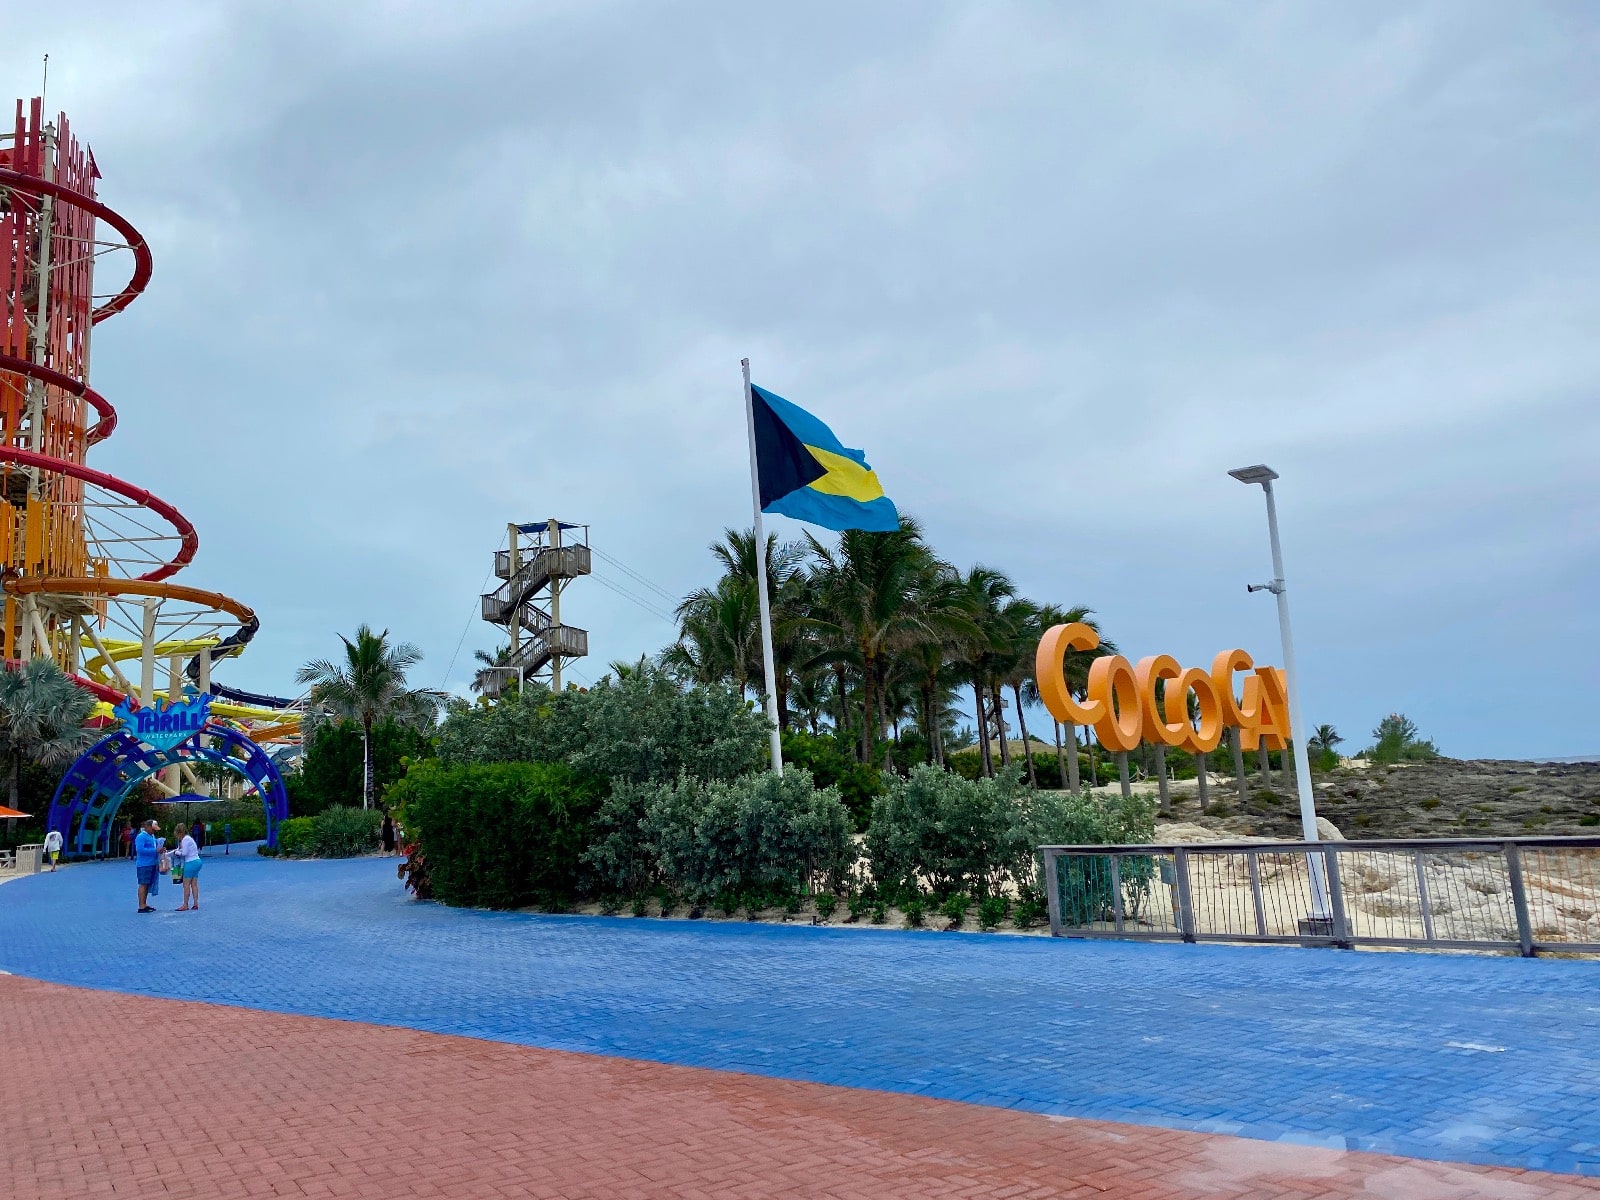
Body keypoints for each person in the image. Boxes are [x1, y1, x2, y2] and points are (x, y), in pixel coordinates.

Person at [134, 820, 159, 913]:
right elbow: (140, 850)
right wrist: (155, 850)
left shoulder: (151, 836)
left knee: (147, 884)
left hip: (151, 863)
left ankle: (144, 904)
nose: (154, 831)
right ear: (147, 827)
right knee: (143, 884)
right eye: (153, 829)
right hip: (144, 864)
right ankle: (141, 906)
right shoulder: (141, 837)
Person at [175, 823, 202, 911]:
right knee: (194, 884)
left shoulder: (185, 840)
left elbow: (184, 853)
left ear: (179, 833)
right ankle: (195, 903)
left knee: (186, 885)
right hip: (197, 861)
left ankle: (185, 904)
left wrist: (177, 852)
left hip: (190, 862)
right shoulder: (189, 838)